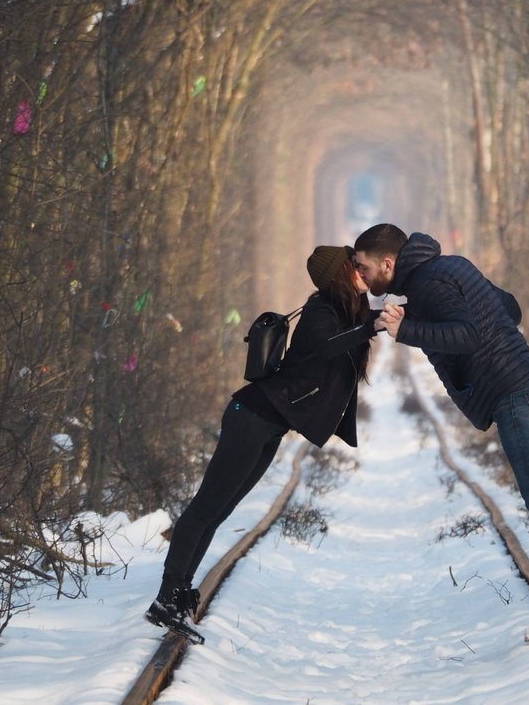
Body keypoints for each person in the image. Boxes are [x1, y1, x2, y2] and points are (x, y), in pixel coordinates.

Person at [353, 224, 529, 643]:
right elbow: (508, 308)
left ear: (387, 262)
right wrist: (409, 319)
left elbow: (470, 334)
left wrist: (408, 330)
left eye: (364, 268)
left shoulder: (429, 284)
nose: (362, 278)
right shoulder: (448, 269)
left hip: (517, 395)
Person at [146, 245, 376, 641]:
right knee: (205, 508)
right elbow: (325, 346)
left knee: (218, 512)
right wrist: (369, 327)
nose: (361, 270)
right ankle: (168, 598)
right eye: (354, 264)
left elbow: (366, 325)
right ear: (339, 272)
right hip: (250, 419)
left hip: (267, 425)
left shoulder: (344, 312)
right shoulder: (322, 312)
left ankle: (179, 594)